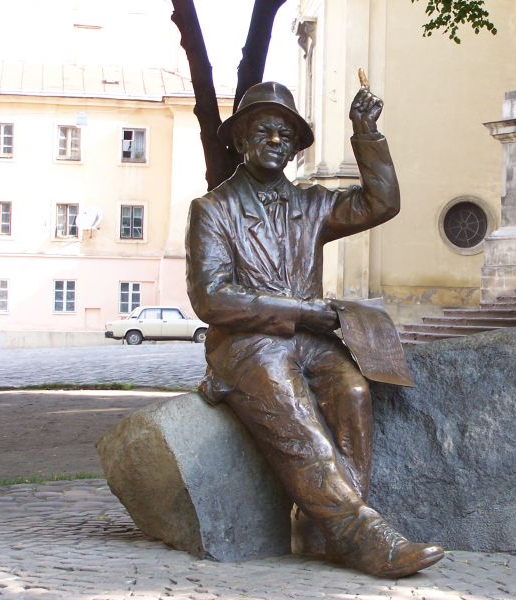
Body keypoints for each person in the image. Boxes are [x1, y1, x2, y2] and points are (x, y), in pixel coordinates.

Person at [185, 81, 443, 578]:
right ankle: (358, 535)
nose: (277, 141)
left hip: (309, 340)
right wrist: (299, 312)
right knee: (295, 405)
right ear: (240, 140)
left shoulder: (313, 205)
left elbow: (381, 203)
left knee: (353, 392)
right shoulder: (213, 210)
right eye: (265, 131)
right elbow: (210, 298)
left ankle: (319, 526)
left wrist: (366, 135)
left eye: (287, 134)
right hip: (247, 344)